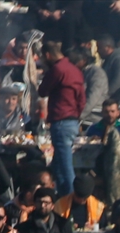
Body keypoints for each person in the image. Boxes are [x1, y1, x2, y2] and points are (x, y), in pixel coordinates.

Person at [38, 41, 85, 199]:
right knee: (58, 165)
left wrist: (46, 71)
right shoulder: (75, 70)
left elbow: (42, 91)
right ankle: (61, 198)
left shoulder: (57, 69)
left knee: (65, 167)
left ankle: (71, 202)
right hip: (72, 122)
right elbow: (82, 99)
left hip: (61, 122)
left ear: (47, 55)